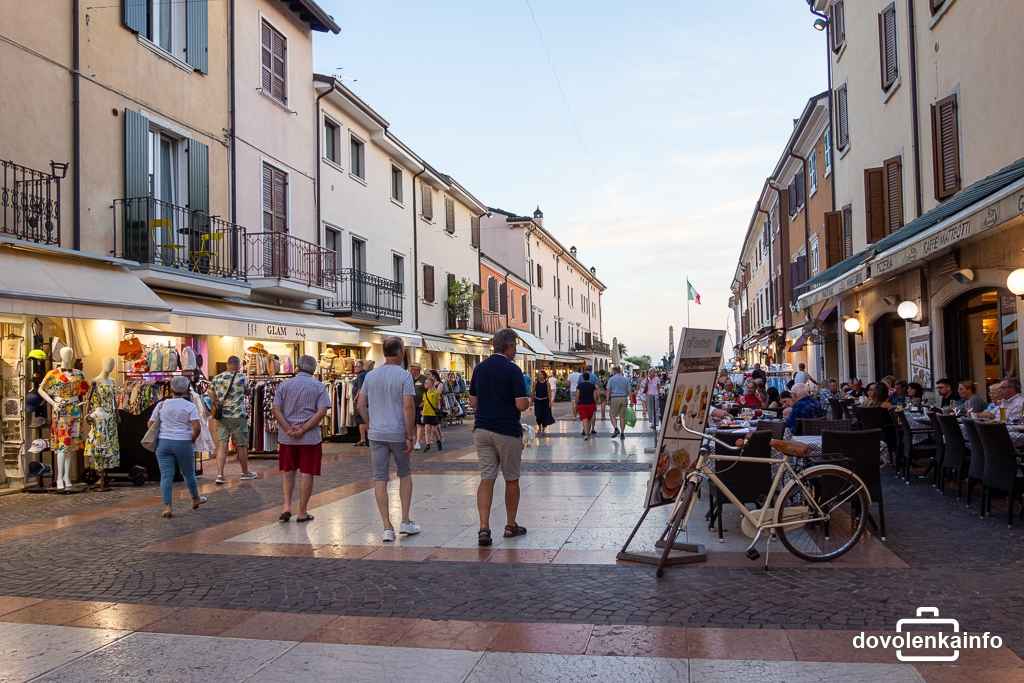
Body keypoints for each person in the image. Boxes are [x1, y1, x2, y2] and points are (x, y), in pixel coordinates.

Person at [470, 329, 530, 547]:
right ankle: (510, 524)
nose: (515, 351)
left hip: (482, 429)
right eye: (514, 347)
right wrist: (527, 401)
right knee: (511, 479)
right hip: (506, 430)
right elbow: (520, 404)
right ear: (509, 346)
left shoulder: (479, 368)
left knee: (487, 478)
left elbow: (473, 402)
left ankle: (484, 528)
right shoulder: (513, 370)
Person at [357, 337, 419, 542]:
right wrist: (410, 434)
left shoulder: (371, 376)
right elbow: (408, 407)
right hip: (398, 433)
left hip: (377, 433)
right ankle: (405, 520)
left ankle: (386, 527)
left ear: (384, 352)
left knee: (380, 479)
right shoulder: (404, 376)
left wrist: (370, 422)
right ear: (400, 351)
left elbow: (360, 405)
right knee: (405, 474)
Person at [272, 355, 331, 523]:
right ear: (313, 369)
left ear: (297, 367)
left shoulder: (284, 385)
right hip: (310, 438)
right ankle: (302, 511)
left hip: (287, 438)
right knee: (307, 473)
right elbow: (321, 412)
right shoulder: (318, 386)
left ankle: (286, 506)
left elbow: (276, 409)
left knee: (288, 472)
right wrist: (303, 428)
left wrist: (288, 428)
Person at [151, 376, 206, 518]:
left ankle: (168, 506)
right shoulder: (190, 406)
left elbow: (150, 424)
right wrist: (191, 439)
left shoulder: (162, 404)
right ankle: (195, 498)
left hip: (163, 443)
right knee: (188, 473)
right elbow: (197, 428)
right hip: (183, 442)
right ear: (187, 390)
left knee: (166, 476)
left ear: (171, 388)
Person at [208, 355, 256, 484]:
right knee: (241, 445)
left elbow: (210, 392)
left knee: (222, 445)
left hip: (222, 416)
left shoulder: (217, 378)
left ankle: (219, 475)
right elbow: (248, 392)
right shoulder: (242, 377)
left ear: (227, 364)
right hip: (238, 416)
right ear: (238, 365)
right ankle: (245, 472)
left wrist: (216, 401)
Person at [606, 366, 630, 440]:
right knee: (622, 417)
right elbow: (629, 391)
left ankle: (616, 428)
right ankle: (622, 433)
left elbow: (608, 390)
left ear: (614, 371)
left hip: (615, 398)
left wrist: (607, 399)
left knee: (612, 415)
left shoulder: (611, 379)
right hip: (624, 398)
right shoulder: (626, 379)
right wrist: (631, 401)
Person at [420, 375, 443, 451]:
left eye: (427, 383)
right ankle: (428, 444)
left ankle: (438, 441)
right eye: (425, 383)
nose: (425, 384)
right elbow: (424, 404)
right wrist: (422, 413)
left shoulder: (436, 393)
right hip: (426, 413)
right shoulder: (425, 394)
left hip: (433, 413)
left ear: (431, 384)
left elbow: (438, 404)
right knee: (426, 428)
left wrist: (439, 412)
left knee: (434, 430)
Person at [352, 360, 369, 447]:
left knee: (363, 419)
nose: (355, 368)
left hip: (361, 401)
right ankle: (363, 439)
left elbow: (360, 388)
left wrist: (356, 399)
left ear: (362, 367)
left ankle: (366, 439)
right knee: (361, 421)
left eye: (357, 366)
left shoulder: (361, 375)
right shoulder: (362, 375)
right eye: (355, 366)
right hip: (362, 401)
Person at [576, 371, 597, 440]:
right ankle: (588, 432)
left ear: (583, 378)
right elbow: (594, 396)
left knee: (584, 419)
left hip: (582, 404)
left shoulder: (579, 386)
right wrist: (595, 403)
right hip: (591, 404)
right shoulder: (592, 385)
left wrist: (576, 404)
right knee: (590, 419)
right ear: (589, 378)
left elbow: (577, 396)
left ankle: (586, 434)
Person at [410, 364, 427, 451]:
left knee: (419, 423)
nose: (412, 371)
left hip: (420, 405)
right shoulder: (409, 379)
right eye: (411, 369)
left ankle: (418, 442)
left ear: (418, 370)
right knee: (412, 424)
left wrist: (424, 402)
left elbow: (428, 391)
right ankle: (415, 439)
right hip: (410, 405)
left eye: (413, 370)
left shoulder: (424, 379)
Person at [533, 370, 555, 434]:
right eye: (539, 374)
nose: (540, 376)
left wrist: (550, 402)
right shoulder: (535, 383)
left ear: (544, 375)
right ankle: (539, 427)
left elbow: (549, 392)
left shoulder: (547, 383)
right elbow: (533, 391)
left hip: (545, 401)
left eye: (541, 374)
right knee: (538, 415)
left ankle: (543, 427)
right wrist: (531, 400)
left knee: (545, 415)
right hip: (538, 401)